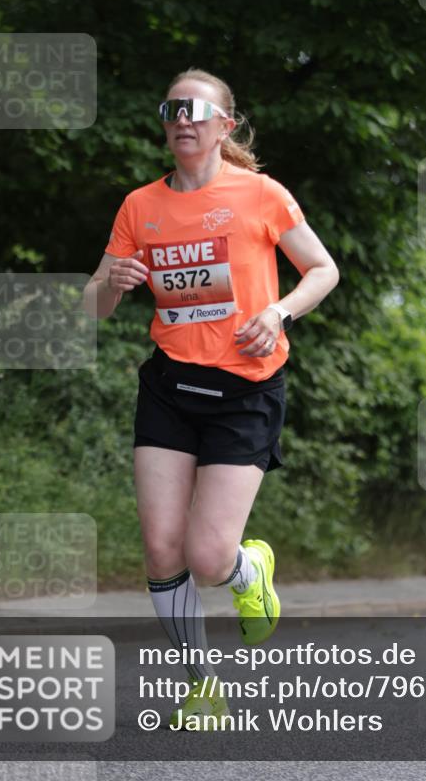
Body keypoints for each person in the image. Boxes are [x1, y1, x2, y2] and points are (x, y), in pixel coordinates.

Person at [84, 68, 339, 728]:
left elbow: (322, 269)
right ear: (165, 123)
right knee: (163, 548)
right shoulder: (140, 206)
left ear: (225, 126)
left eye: (198, 109)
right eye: (173, 108)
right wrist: (111, 279)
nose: (184, 119)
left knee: (207, 555)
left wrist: (280, 313)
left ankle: (249, 571)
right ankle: (202, 685)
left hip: (245, 389)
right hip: (170, 386)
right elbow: (96, 306)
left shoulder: (259, 194)